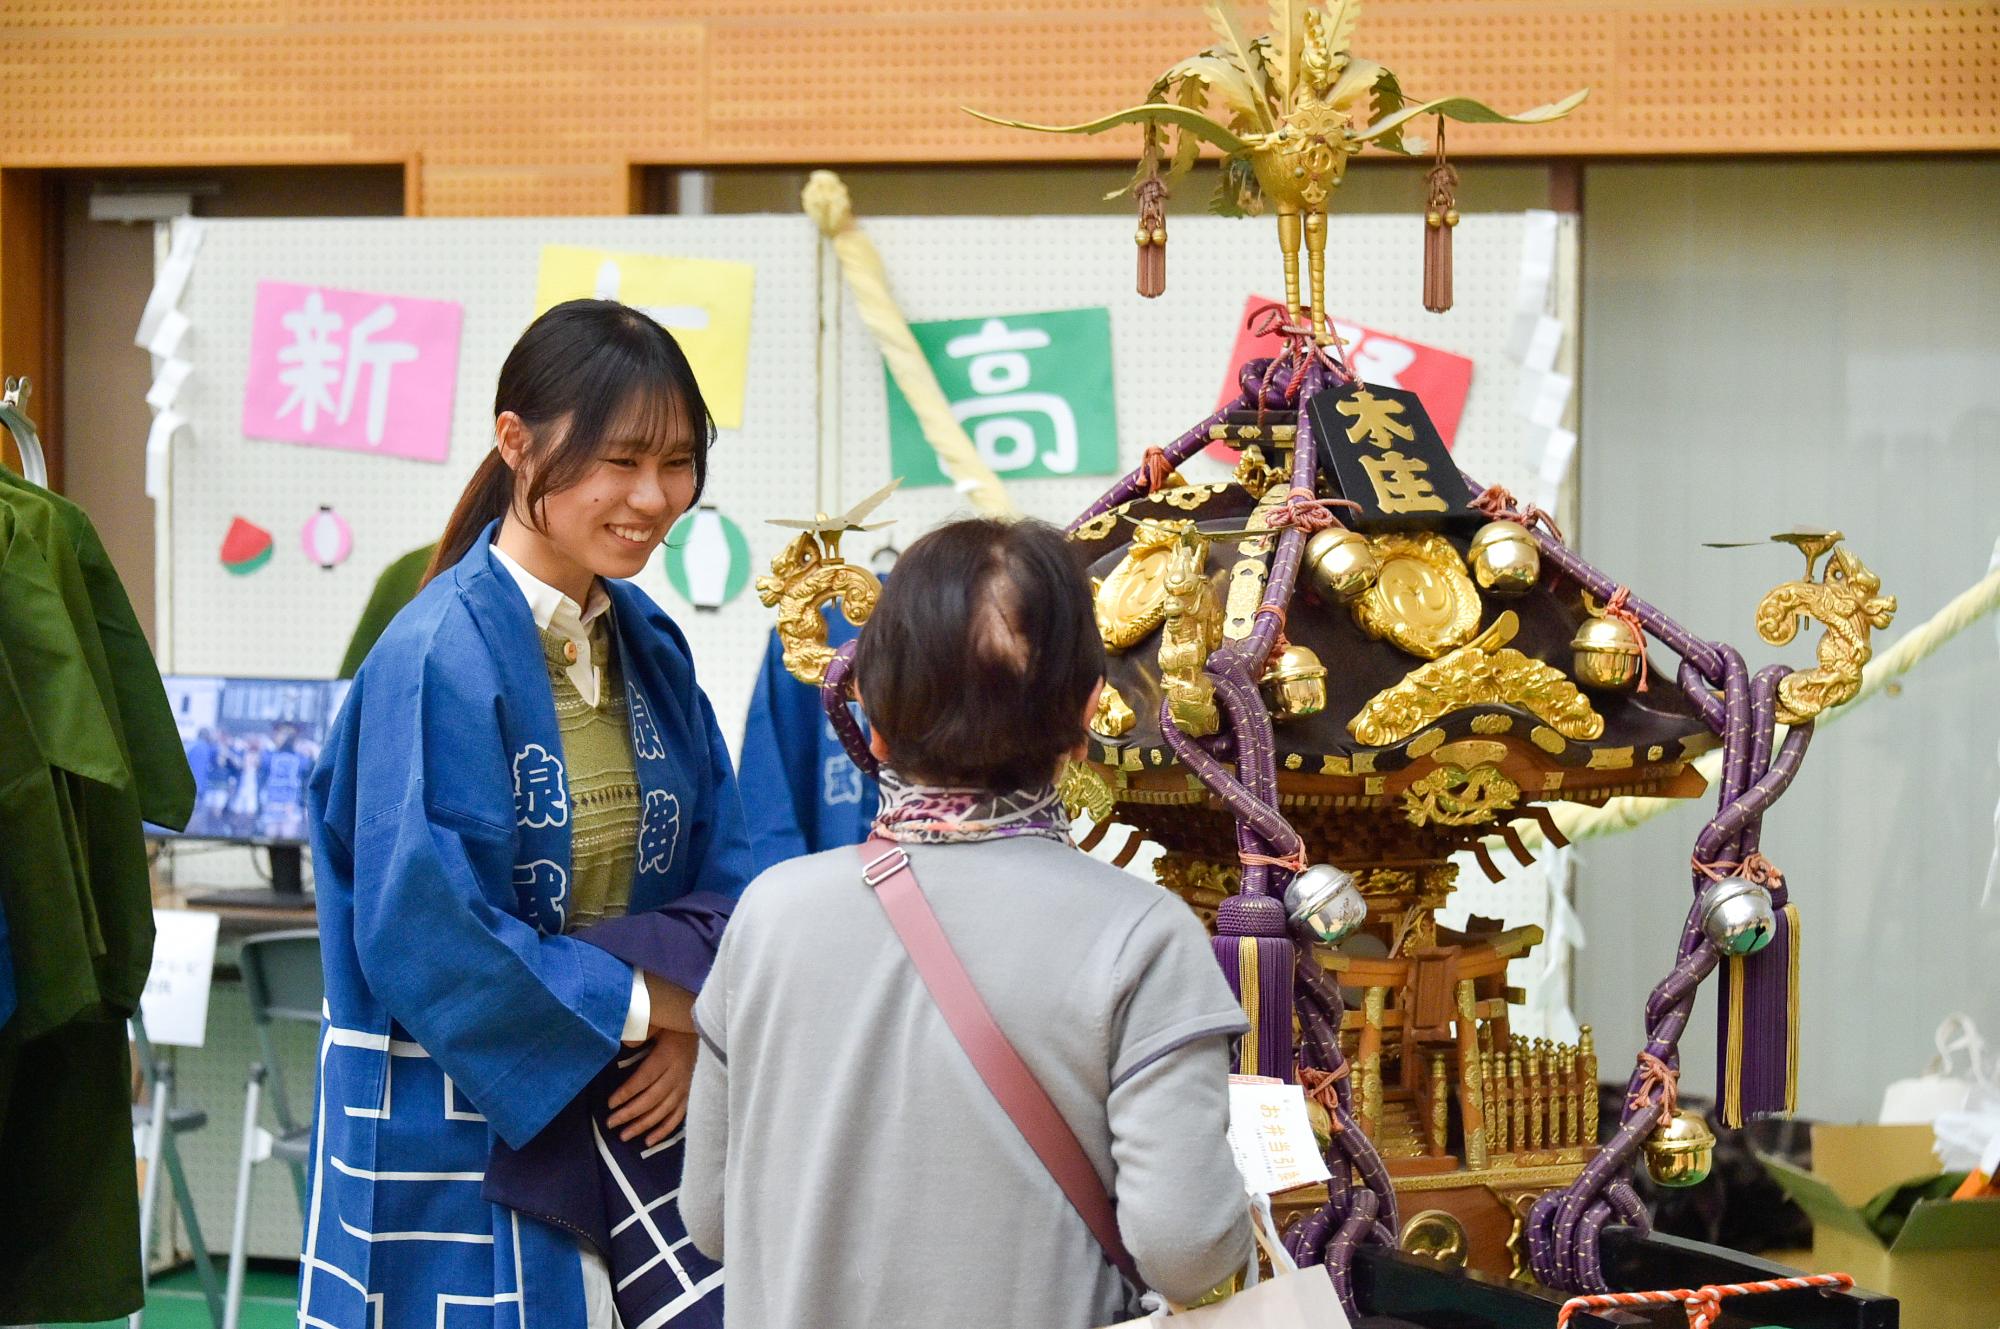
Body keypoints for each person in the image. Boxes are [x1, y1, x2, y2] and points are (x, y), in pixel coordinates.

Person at [681, 518, 1253, 1328]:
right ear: (1088, 714)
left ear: (872, 717)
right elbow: (1186, 1247)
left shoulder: (768, 915)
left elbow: (711, 1216)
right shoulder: (1143, 937)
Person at [305, 299, 753, 1327]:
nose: (653, 497)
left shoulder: (650, 642)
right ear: (516, 442)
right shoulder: (434, 656)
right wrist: (655, 1007)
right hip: (459, 1120)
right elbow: (426, 931)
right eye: (621, 460)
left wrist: (691, 1026)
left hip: (637, 1105)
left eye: (678, 463)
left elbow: (723, 863)